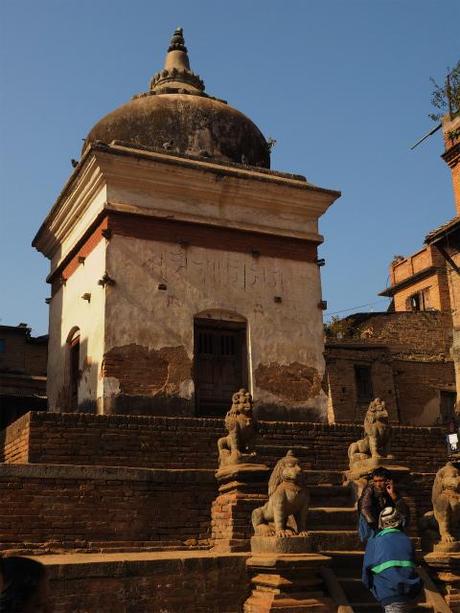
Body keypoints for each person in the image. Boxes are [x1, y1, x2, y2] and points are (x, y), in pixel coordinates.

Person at [362, 506, 422, 612]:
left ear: (381, 523)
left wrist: (375, 590)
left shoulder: (375, 542)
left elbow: (366, 577)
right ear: (399, 521)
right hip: (410, 594)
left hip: (389, 594)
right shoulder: (407, 540)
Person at [358, 467, 410, 543]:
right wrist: (378, 529)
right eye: (375, 481)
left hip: (387, 522)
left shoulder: (393, 491)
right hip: (374, 524)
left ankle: (398, 538)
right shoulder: (369, 490)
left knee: (402, 514)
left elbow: (405, 514)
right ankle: (372, 541)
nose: (378, 484)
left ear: (388, 481)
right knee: (364, 515)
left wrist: (393, 496)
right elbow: (364, 509)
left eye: (381, 481)